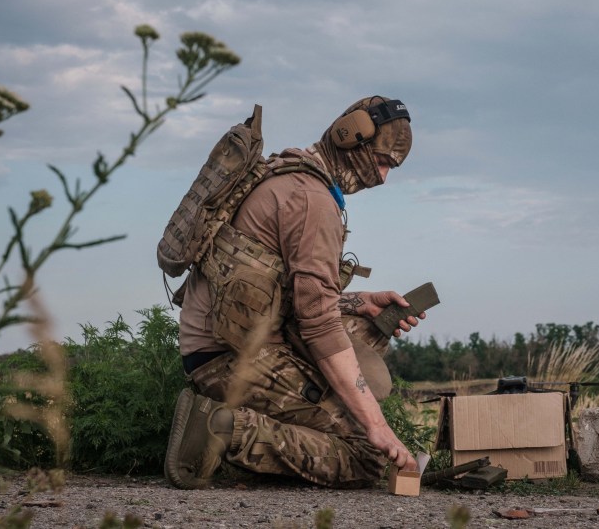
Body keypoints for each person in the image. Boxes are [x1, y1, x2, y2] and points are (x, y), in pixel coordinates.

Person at [165, 96, 424, 490]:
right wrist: (378, 427)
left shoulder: (287, 172)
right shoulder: (314, 203)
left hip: (221, 338)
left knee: (367, 328)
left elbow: (285, 292)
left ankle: (265, 424)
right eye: (384, 161)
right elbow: (318, 324)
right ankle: (224, 428)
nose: (384, 177)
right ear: (351, 137)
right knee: (368, 454)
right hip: (228, 358)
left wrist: (361, 302)